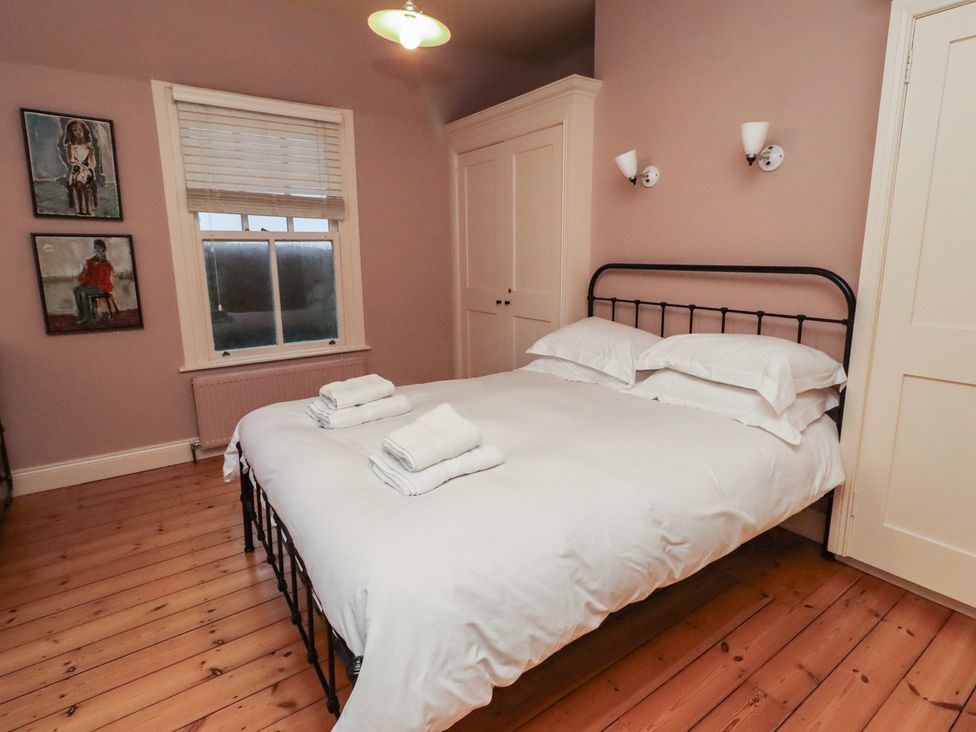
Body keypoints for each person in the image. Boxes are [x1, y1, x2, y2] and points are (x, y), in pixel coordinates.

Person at [74, 239, 114, 324]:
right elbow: (83, 278)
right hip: (92, 285)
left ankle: (87, 317)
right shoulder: (91, 261)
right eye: (96, 248)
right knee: (77, 290)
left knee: (84, 292)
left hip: (102, 286)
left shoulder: (106, 263)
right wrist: (84, 270)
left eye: (99, 248)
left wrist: (97, 267)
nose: (97, 249)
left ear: (104, 249)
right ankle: (82, 314)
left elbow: (104, 278)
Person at [62, 119, 98, 215]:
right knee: (78, 182)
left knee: (81, 182)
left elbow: (93, 163)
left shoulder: (88, 146)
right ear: (70, 133)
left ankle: (86, 208)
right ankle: (82, 209)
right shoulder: (71, 146)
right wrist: (79, 164)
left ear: (84, 131)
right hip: (77, 169)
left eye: (80, 130)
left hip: (87, 170)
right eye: (75, 130)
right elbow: (71, 160)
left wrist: (91, 152)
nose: (78, 132)